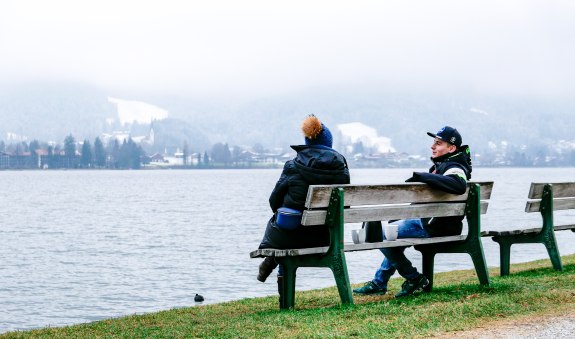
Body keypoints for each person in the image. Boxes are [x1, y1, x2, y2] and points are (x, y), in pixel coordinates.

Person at [353, 126, 472, 298]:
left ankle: (413, 277)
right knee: (393, 229)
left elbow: (459, 184)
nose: (433, 147)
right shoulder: (445, 165)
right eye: (433, 143)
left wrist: (423, 176)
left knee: (382, 235)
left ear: (451, 148)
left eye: (438, 144)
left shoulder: (454, 166)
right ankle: (380, 282)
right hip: (437, 224)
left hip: (435, 227)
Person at [256, 115, 350, 295]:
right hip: (328, 236)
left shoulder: (293, 166)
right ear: (329, 143)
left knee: (285, 224)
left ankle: (279, 283)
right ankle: (271, 260)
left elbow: (273, 201)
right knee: (288, 225)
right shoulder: (341, 168)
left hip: (292, 236)